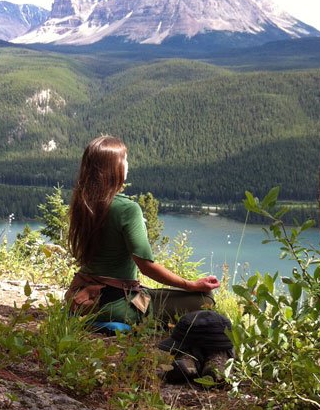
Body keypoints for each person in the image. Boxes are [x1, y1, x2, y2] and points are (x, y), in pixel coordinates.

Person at [65, 135, 220, 327]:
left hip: (81, 294)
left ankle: (93, 315)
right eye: (125, 159)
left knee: (156, 295)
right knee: (205, 300)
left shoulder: (83, 204)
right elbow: (146, 267)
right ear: (115, 168)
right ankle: (112, 319)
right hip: (116, 302)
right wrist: (191, 284)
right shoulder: (128, 209)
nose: (128, 164)